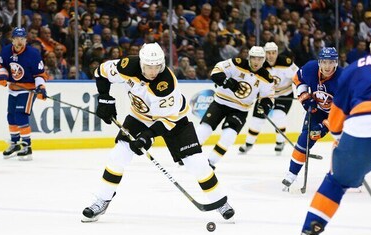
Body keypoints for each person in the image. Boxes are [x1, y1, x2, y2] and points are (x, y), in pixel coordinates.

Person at [81, 43, 235, 222]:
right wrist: (105, 98)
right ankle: (102, 199)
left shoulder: (166, 84)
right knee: (118, 155)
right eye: (148, 67)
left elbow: (167, 120)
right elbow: (101, 73)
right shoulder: (127, 66)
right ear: (141, 63)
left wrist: (146, 137)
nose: (153, 72)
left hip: (175, 120)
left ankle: (220, 202)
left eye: (157, 67)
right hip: (140, 116)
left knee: (197, 163)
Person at [288, 19, 371, 235]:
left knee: (335, 183)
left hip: (360, 133)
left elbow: (336, 117)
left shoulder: (355, 68)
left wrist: (338, 139)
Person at [195, 46, 275, 169]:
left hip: (240, 110)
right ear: (249, 57)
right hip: (220, 103)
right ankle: (189, 154)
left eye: (259, 59)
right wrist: (226, 82)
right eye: (254, 58)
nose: (256, 62)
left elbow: (268, 97)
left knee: (229, 136)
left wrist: (265, 106)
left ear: (263, 60)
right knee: (204, 129)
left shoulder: (267, 78)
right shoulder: (236, 63)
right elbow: (215, 72)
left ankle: (210, 162)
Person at [281, 47, 343, 192]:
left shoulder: (342, 79)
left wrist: (325, 127)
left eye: (331, 62)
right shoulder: (310, 68)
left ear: (336, 63)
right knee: (305, 138)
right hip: (317, 110)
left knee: (344, 145)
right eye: (324, 62)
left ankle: (349, 176)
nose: (327, 66)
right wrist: (304, 98)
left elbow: (343, 111)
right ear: (319, 62)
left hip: (339, 115)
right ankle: (291, 174)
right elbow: (298, 78)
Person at [0, 27, 48, 161]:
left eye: (22, 39)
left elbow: (39, 74)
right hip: (13, 89)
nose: (20, 42)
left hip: (28, 90)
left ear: (26, 40)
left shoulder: (33, 54)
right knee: (11, 117)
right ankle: (15, 144)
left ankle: (27, 146)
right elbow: (3, 66)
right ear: (12, 40)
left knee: (20, 115)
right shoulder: (6, 51)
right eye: (17, 39)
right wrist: (2, 76)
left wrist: (41, 88)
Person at [239, 42, 299, 155]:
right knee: (257, 119)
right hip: (266, 95)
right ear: (264, 54)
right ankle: (248, 143)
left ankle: (280, 142)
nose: (271, 55)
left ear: (277, 52)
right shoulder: (259, 64)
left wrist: (302, 91)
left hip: (284, 95)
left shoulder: (286, 63)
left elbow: (299, 77)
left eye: (273, 53)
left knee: (278, 115)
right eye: (268, 53)